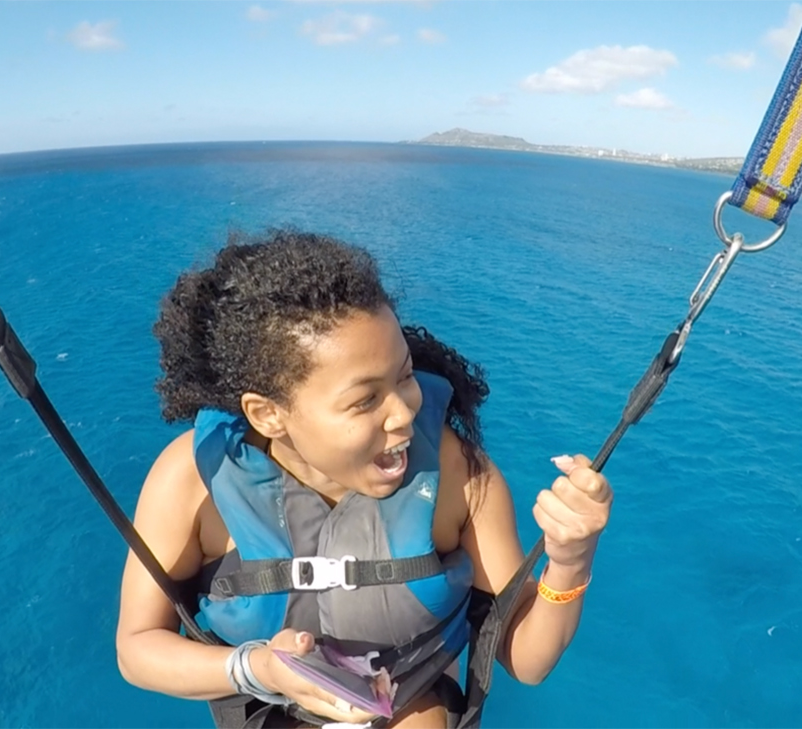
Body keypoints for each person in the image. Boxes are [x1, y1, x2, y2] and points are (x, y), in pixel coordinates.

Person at [115, 229, 612, 728]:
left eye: (405, 375)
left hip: (411, 702)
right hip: (273, 706)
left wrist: (570, 561)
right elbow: (137, 648)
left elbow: (526, 659)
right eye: (364, 400)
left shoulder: (458, 475)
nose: (403, 413)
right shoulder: (193, 482)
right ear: (268, 415)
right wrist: (259, 668)